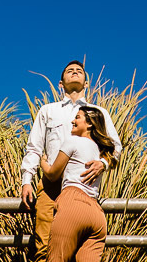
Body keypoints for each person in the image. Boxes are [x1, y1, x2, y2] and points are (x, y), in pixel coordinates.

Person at [20, 60, 123, 262]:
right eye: (69, 71)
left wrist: (103, 163)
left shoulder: (98, 112)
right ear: (61, 83)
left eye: (79, 71)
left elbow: (115, 146)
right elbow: (34, 147)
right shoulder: (48, 111)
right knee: (45, 248)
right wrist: (26, 180)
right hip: (51, 186)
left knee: (83, 252)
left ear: (86, 83)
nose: (75, 72)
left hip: (83, 185)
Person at [38, 106, 116, 262]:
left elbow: (53, 174)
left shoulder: (73, 141)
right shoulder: (101, 152)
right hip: (97, 215)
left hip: (72, 204)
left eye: (78, 117)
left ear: (89, 124)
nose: (73, 121)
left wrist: (43, 163)